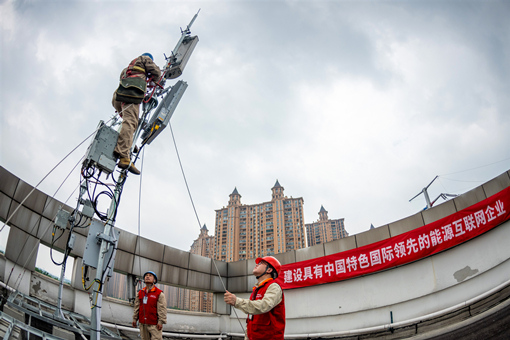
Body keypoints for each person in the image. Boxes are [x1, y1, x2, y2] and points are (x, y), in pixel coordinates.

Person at [112, 53, 162, 175]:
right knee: (131, 122)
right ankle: (124, 156)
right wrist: (155, 81)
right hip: (131, 93)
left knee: (131, 122)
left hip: (118, 95)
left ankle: (127, 142)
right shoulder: (144, 59)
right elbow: (156, 72)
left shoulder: (127, 69)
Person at [224, 256, 285, 340]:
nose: (256, 264)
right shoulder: (257, 289)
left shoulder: (274, 286)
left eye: (261, 263)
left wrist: (236, 301)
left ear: (269, 270)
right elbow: (251, 318)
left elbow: (264, 306)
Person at [132, 271, 167, 340]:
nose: (147, 277)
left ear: (154, 280)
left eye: (150, 275)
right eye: (146, 276)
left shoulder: (159, 293)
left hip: (154, 324)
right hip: (142, 323)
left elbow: (162, 309)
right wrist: (135, 319)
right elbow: (136, 307)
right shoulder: (140, 292)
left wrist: (160, 321)